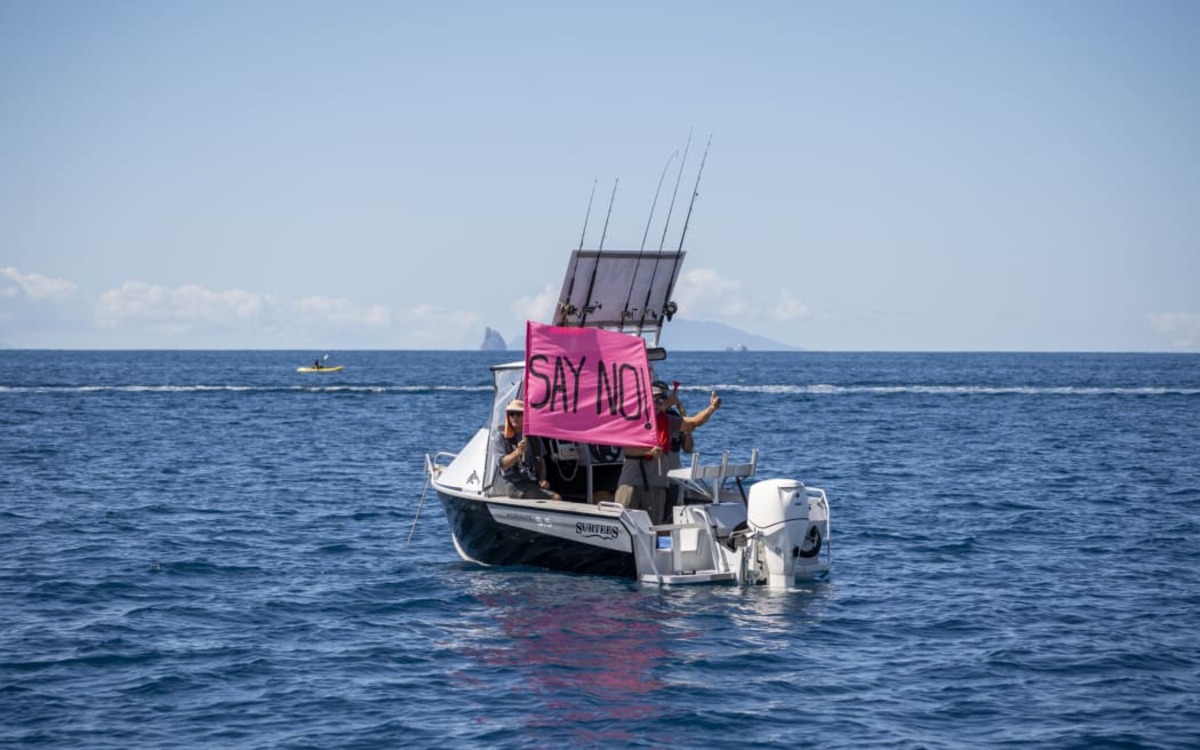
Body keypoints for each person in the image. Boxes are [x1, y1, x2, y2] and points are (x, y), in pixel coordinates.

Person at [615, 381, 720, 524]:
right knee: (624, 522)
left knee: (653, 525)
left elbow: (694, 422)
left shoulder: (669, 420)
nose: (658, 402)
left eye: (661, 399)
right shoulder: (633, 419)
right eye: (654, 399)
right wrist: (650, 452)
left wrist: (711, 408)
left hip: (656, 483)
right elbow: (627, 449)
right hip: (631, 482)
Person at [491, 399, 560, 500]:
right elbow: (503, 464)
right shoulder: (501, 437)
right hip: (515, 484)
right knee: (556, 498)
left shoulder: (533, 436)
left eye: (518, 414)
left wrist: (542, 479)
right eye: (511, 414)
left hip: (533, 481)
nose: (514, 417)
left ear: (525, 416)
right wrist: (518, 452)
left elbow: (541, 462)